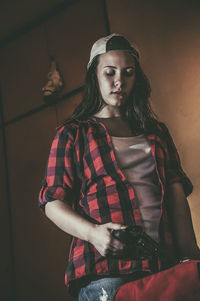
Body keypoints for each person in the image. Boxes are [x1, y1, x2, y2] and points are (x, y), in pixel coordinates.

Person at [38, 33, 200, 301]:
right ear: (95, 77)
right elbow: (52, 202)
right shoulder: (72, 134)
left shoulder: (157, 132)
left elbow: (176, 196)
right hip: (106, 271)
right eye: (109, 73)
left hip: (163, 267)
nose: (119, 82)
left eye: (128, 73)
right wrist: (93, 233)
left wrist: (191, 258)